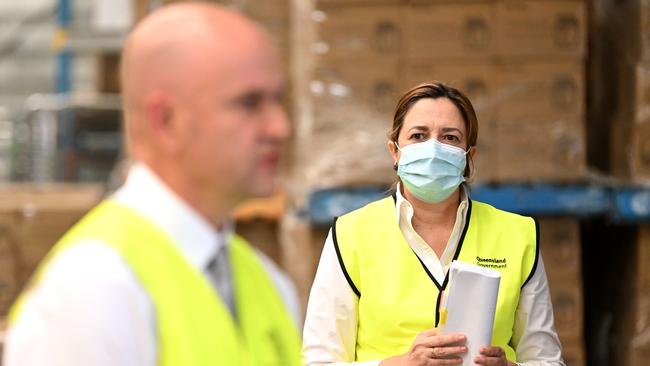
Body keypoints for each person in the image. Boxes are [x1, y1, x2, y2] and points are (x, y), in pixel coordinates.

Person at [3, 2, 302, 365]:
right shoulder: (96, 290)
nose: (279, 127)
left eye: (277, 100)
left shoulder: (265, 282)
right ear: (166, 121)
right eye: (249, 103)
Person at [302, 82, 565, 366]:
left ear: (469, 158)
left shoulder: (518, 236)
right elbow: (320, 361)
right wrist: (398, 364)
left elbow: (548, 360)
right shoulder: (350, 235)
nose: (434, 149)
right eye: (418, 135)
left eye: (450, 138)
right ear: (395, 151)